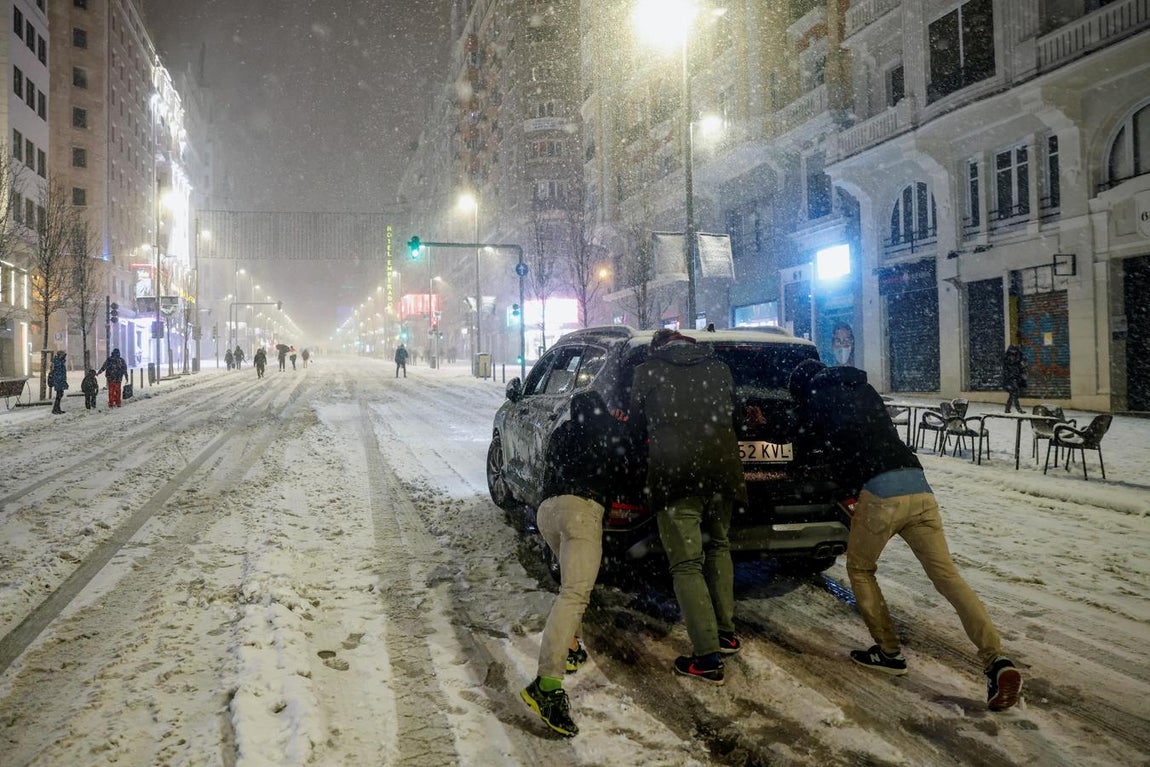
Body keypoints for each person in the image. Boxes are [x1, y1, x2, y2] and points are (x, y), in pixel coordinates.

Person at [787, 358, 1023, 711]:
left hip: (880, 493)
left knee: (861, 569)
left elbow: (807, 440)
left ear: (804, 386)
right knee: (947, 577)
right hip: (917, 482)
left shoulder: (817, 395)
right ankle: (997, 660)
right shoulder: (861, 387)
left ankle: (888, 652)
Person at [627, 329, 747, 685]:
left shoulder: (647, 371)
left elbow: (634, 426)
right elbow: (735, 412)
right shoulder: (719, 367)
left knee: (686, 564)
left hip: (677, 475)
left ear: (657, 348)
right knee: (719, 547)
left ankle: (707, 658)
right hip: (723, 473)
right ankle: (726, 633)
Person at [520, 390, 629, 737]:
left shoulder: (563, 431)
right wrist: (620, 425)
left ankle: (570, 647)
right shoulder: (606, 429)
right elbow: (626, 465)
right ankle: (546, 686)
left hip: (547, 511)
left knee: (571, 581)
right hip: (582, 511)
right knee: (575, 593)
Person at [1002, 345, 1026, 414]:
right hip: (1011, 380)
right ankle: (1017, 409)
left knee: (1013, 395)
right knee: (1014, 394)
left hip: (1012, 379)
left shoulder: (1012, 359)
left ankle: (1008, 409)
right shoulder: (1011, 360)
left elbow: (1019, 369)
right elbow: (1008, 371)